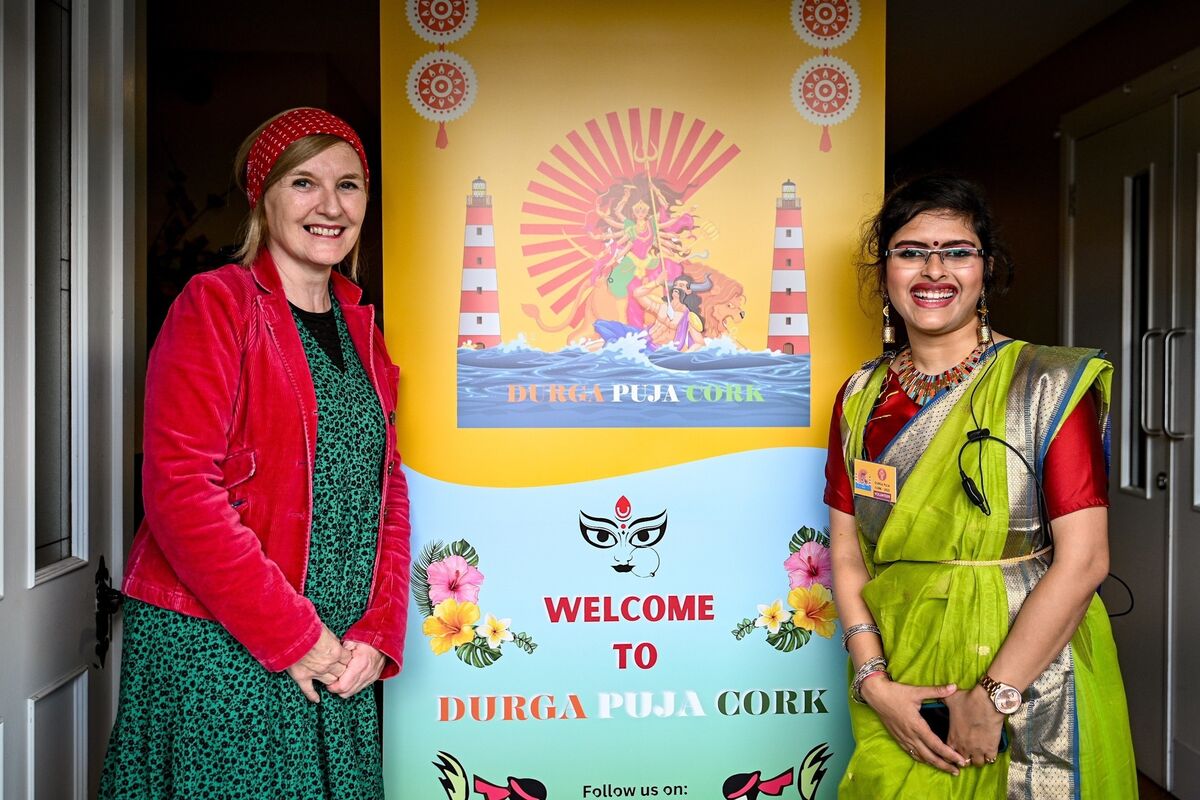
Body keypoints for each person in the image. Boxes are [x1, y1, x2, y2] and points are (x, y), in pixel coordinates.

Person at [101, 108, 410, 799]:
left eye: (349, 185)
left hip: (341, 655)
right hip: (221, 646)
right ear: (261, 197)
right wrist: (297, 637)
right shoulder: (216, 303)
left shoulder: (364, 329)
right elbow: (181, 492)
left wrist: (379, 631)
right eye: (304, 182)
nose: (330, 206)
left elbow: (386, 488)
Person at [825, 175, 1137, 798]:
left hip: (1032, 680)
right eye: (911, 251)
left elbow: (1084, 560)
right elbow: (848, 552)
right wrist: (875, 683)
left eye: (957, 251)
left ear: (986, 268)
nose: (933, 269)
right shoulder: (861, 397)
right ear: (885, 271)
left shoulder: (1045, 384)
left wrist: (995, 698)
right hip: (905, 673)